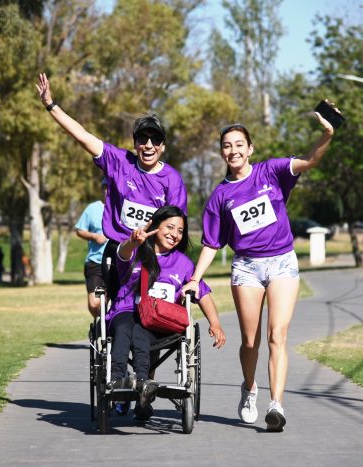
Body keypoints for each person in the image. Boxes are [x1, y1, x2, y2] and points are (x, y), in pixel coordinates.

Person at [183, 103, 339, 432]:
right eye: (227, 145)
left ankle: (276, 406)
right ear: (222, 153)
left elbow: (311, 160)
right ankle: (250, 388)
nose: (234, 150)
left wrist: (327, 134)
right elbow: (212, 243)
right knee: (250, 341)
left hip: (283, 261)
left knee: (277, 336)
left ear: (250, 148)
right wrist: (195, 278)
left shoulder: (271, 172)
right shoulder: (220, 196)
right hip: (247, 269)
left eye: (240, 144)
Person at [36, 73, 187, 301]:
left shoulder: (172, 180)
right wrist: (50, 105)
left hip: (152, 254)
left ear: (162, 147)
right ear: (135, 144)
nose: (148, 145)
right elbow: (82, 136)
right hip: (119, 250)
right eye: (142, 139)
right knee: (114, 308)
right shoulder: (119, 161)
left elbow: (176, 227)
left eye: (155, 140)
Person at [108, 205, 226, 420]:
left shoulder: (182, 263)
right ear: (155, 227)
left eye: (180, 231)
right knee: (127, 327)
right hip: (125, 311)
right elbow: (122, 252)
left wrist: (215, 323)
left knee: (142, 330)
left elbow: (202, 292)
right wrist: (133, 241)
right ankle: (117, 381)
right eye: (170, 227)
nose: (175, 234)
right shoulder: (135, 251)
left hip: (157, 320)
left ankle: (143, 383)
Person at [75, 178, 109, 317]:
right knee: (94, 304)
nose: (109, 191)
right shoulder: (93, 208)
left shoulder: (122, 209)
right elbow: (79, 230)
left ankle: (109, 326)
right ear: (102, 190)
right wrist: (94, 236)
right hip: (96, 262)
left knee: (114, 301)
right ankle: (100, 324)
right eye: (106, 188)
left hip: (117, 263)